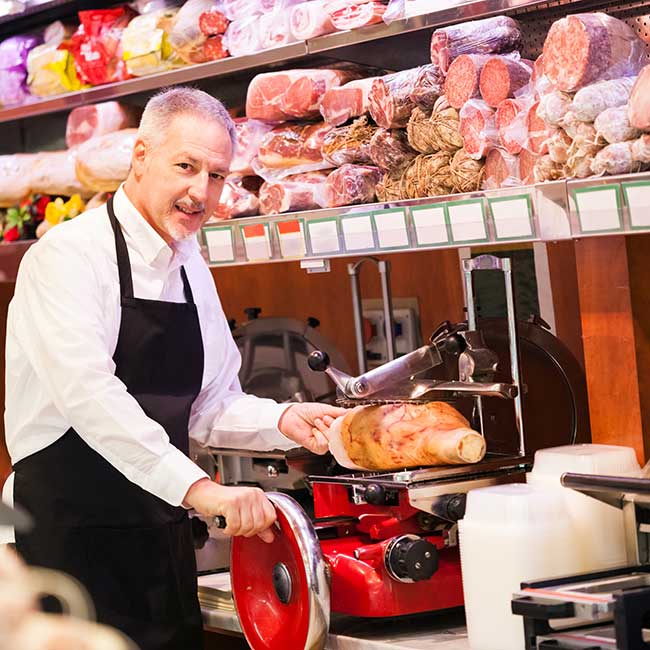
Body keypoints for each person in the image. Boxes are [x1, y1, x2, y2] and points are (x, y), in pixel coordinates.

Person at [3, 87, 346, 650]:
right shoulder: (67, 257)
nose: (200, 192)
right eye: (185, 166)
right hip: (70, 541)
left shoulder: (190, 268)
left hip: (160, 537)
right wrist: (199, 489)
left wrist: (283, 421)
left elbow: (210, 402)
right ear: (140, 156)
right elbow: (90, 397)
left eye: (216, 176)